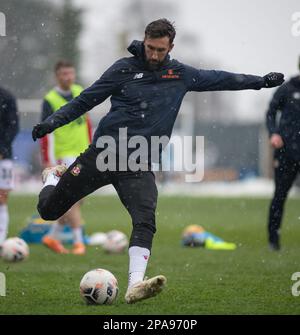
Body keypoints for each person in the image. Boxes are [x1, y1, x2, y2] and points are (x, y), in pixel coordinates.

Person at [32, 18, 284, 303]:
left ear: (170, 47)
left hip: (138, 164)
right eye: (150, 48)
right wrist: (51, 123)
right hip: (102, 155)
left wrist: (260, 82)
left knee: (145, 221)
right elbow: (85, 100)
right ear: (145, 41)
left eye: (160, 50)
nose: (153, 55)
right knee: (49, 211)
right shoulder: (123, 68)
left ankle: (134, 285)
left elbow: (220, 78)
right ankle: (53, 178)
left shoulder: (180, 74)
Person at [39, 60, 92, 255]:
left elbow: (86, 123)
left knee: (76, 199)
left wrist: (92, 147)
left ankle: (53, 236)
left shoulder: (80, 91)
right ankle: (79, 242)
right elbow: (45, 131)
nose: (68, 77)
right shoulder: (50, 99)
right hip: (63, 156)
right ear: (57, 76)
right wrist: (47, 159)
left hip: (82, 153)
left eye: (70, 73)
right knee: (73, 198)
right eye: (63, 74)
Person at [266, 59, 300, 251]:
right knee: (279, 196)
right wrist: (274, 133)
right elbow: (270, 112)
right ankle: (273, 240)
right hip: (287, 152)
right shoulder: (287, 89)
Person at [0, 86, 19, 250]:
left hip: (3, 158)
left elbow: (13, 127)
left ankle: (1, 239)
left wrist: (2, 149)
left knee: (2, 197)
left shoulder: (6, 97)